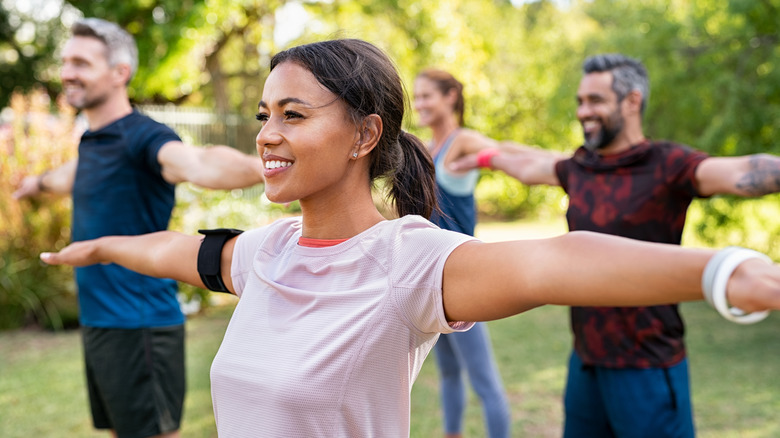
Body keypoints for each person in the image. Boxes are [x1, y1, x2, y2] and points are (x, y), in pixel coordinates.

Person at [38, 40, 780, 438]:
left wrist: (725, 271)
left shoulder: (408, 262)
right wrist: (101, 249)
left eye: (294, 115)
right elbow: (172, 250)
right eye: (265, 114)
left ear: (365, 134)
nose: (267, 135)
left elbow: (559, 259)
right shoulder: (266, 254)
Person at [451, 53, 780, 437]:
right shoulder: (579, 166)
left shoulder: (667, 164)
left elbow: (741, 171)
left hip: (647, 367)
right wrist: (484, 158)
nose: (583, 111)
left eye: (595, 101)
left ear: (632, 101)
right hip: (586, 363)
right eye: (580, 101)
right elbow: (529, 166)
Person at [13, 18, 264, 438]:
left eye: (81, 62)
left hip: (140, 325)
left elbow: (196, 163)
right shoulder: (94, 141)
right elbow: (68, 177)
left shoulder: (144, 138)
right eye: (65, 61)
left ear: (119, 72)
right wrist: (34, 185)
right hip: (102, 323)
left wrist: (266, 168)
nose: (67, 72)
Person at [413, 69, 510, 438]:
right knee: (450, 375)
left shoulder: (463, 140)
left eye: (427, 96)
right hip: (431, 280)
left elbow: (504, 152)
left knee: (484, 381)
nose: (419, 104)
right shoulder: (426, 148)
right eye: (417, 97)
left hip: (464, 279)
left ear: (451, 96)